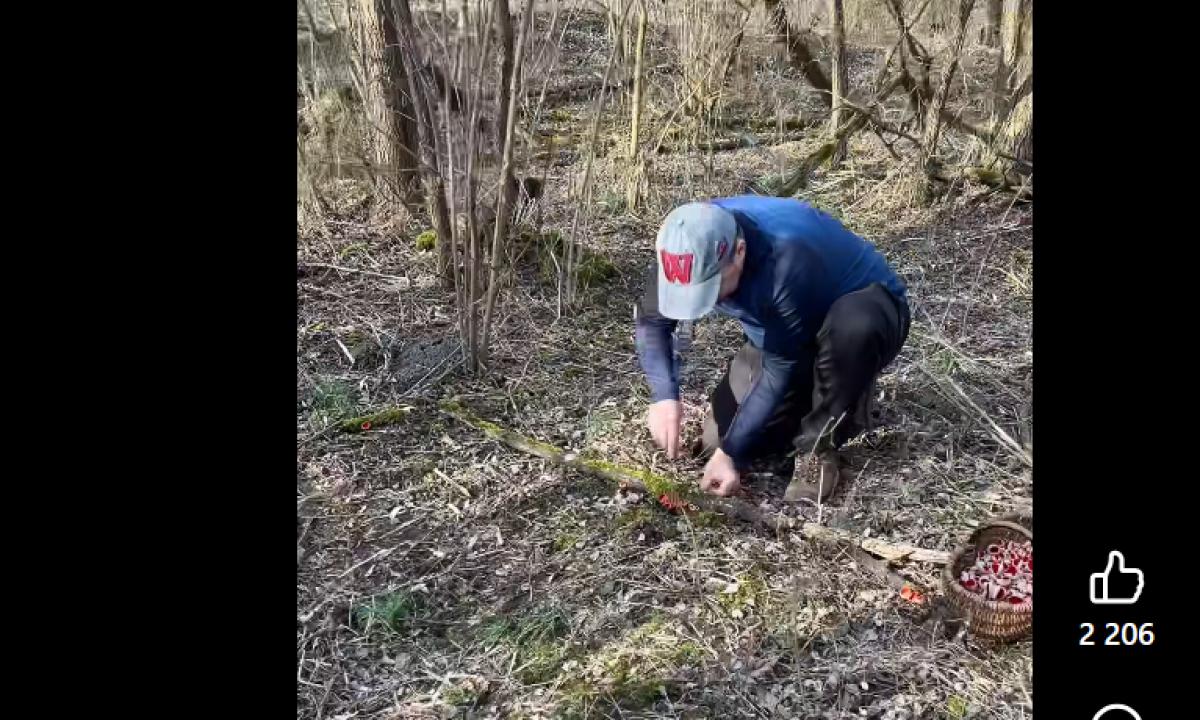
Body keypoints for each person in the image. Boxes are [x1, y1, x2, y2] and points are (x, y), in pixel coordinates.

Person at [635, 196, 909, 500]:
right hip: (780, 334)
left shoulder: (784, 258)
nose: (708, 303)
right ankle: (812, 394)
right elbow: (652, 323)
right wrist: (664, 396)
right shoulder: (683, 246)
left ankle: (821, 440)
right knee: (717, 441)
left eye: (710, 289)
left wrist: (732, 456)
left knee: (854, 328)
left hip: (867, 310)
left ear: (739, 253)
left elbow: (778, 368)